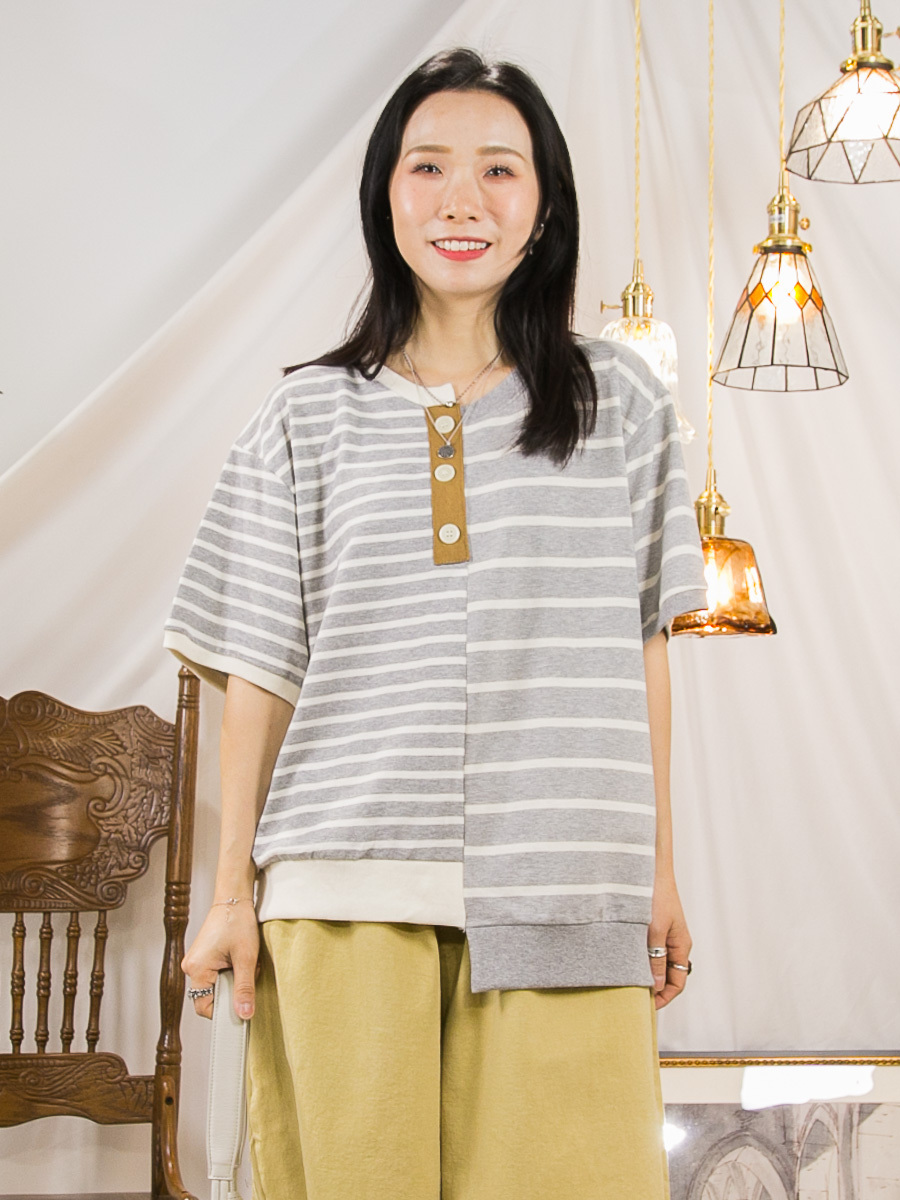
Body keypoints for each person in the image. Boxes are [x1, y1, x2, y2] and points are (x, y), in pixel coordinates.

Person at [166, 46, 707, 1200]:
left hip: (567, 879)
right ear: (386, 195)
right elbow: (259, 666)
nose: (463, 199)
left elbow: (644, 647)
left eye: (499, 170)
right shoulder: (302, 417)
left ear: (544, 206)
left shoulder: (622, 405)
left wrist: (658, 874)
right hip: (342, 893)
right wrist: (229, 895)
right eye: (429, 167)